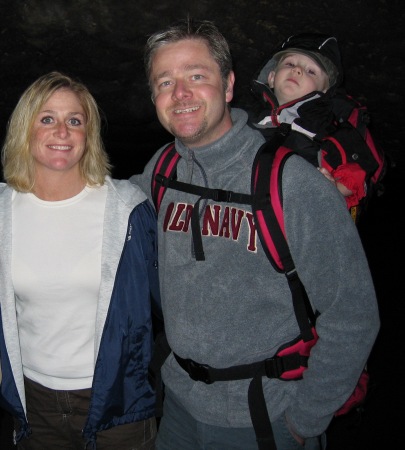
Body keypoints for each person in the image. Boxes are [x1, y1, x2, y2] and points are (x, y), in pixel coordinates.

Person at [130, 18, 380, 450]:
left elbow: (353, 314)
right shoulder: (163, 169)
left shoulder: (292, 182)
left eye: (196, 76)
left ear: (227, 86)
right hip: (179, 409)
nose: (181, 93)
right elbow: (107, 205)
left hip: (267, 418)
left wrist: (307, 418)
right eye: (165, 81)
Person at [0, 71, 161, 449]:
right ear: (26, 129)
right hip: (33, 403)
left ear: (88, 136)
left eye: (75, 120)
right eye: (47, 119)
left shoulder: (128, 210)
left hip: (119, 403)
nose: (62, 131)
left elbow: (168, 297)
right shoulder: (3, 211)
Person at [249, 32, 369, 211]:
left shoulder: (328, 134)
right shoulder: (245, 123)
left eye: (311, 71)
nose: (297, 70)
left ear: (325, 90)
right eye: (290, 63)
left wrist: (333, 189)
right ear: (271, 77)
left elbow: (358, 178)